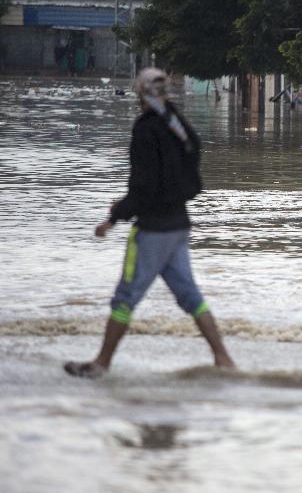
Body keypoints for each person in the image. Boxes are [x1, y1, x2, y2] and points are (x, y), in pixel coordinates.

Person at [64, 67, 235, 378]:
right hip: (179, 225)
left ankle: (101, 364)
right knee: (191, 297)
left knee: (124, 298)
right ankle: (223, 359)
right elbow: (185, 165)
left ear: (139, 94)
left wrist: (113, 218)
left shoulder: (145, 129)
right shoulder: (176, 122)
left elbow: (144, 185)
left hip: (152, 230)